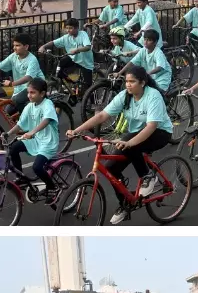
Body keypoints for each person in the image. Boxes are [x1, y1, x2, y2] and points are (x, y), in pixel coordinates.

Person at [67, 63, 173, 207]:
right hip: (136, 134)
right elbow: (102, 115)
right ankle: (125, 203)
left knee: (130, 142)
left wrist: (129, 143)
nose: (128, 85)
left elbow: (151, 126)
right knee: (111, 168)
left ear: (142, 83)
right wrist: (76, 131)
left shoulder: (153, 96)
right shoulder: (124, 96)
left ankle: (148, 176)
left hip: (160, 133)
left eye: (132, 81)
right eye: (126, 81)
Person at [5, 78, 61, 200]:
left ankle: (52, 187)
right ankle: (21, 178)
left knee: (37, 167)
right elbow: (20, 124)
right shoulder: (29, 106)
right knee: (13, 148)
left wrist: (32, 132)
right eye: (28, 92)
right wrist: (8, 134)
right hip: (37, 140)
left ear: (42, 93)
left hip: (48, 143)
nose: (29, 95)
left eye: (32, 92)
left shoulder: (47, 104)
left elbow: (47, 120)